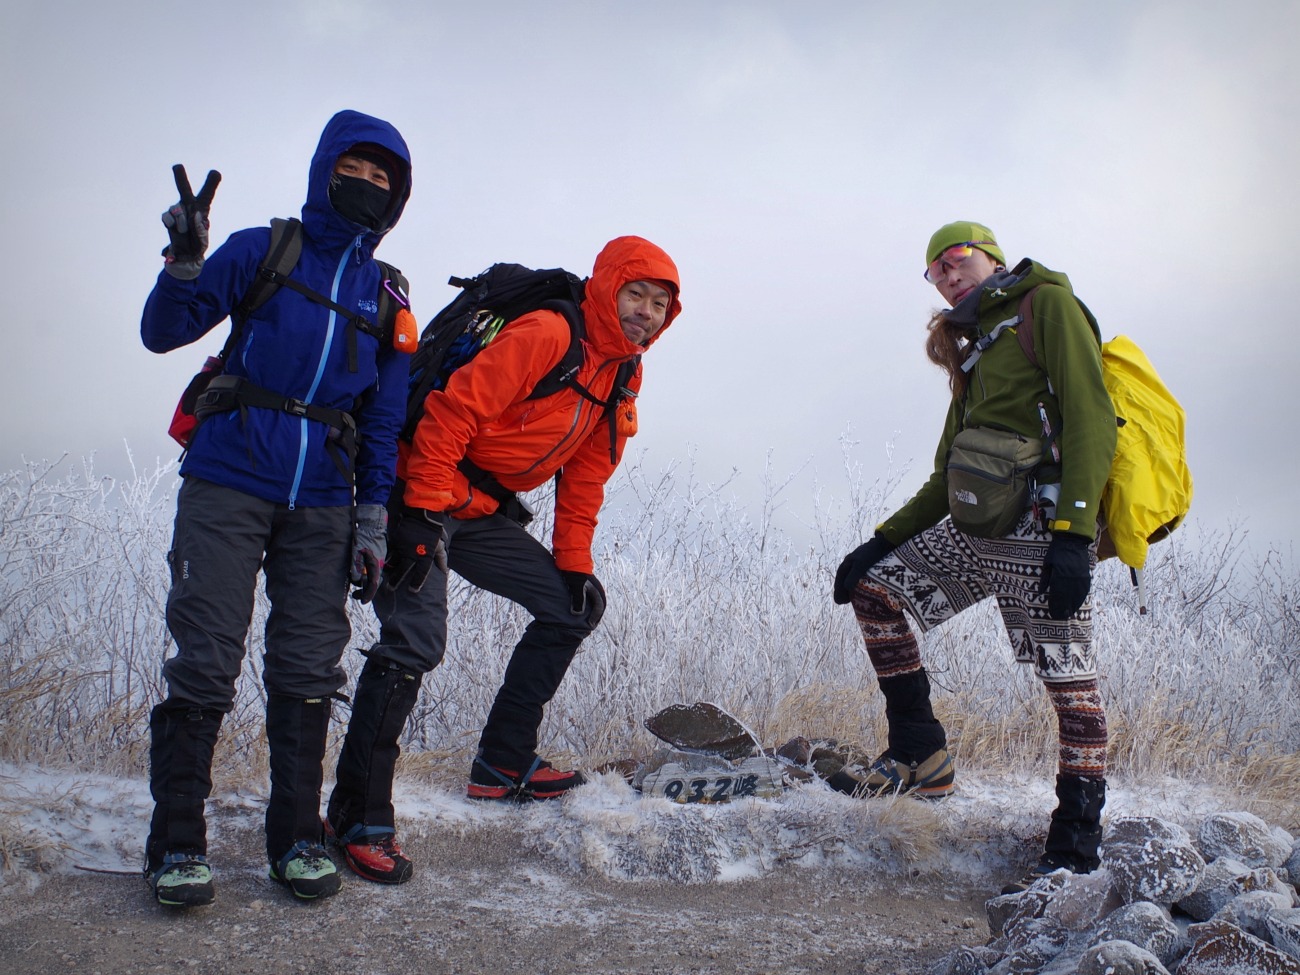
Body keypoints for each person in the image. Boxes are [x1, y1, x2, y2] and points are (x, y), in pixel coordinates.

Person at [325, 236, 682, 884]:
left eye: (660, 304)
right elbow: (449, 412)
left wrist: (574, 566)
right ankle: (356, 813)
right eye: (637, 295)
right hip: (422, 489)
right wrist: (417, 518)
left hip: (477, 508)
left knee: (570, 607)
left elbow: (586, 478)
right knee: (415, 640)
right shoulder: (549, 332)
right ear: (607, 288)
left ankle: (502, 763)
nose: (647, 313)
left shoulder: (621, 373)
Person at [139, 110, 413, 907]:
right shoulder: (263, 249)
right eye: (352, 170)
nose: (365, 186)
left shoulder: (388, 291)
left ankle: (296, 839)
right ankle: (177, 845)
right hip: (229, 478)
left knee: (305, 669)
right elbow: (163, 332)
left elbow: (385, 419)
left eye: (382, 178)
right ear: (325, 170)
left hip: (324, 500)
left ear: (399, 196)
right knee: (205, 658)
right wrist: (186, 264)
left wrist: (371, 518)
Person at [831, 221, 1117, 894]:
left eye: (957, 258)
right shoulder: (971, 348)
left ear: (990, 255)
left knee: (1067, 675)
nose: (948, 272)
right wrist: (879, 541)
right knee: (878, 591)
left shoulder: (1044, 304)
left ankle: (1077, 834)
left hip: (1042, 524)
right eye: (935, 270)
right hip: (974, 526)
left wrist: (1076, 533)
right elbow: (947, 473)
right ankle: (920, 753)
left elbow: (1091, 418)